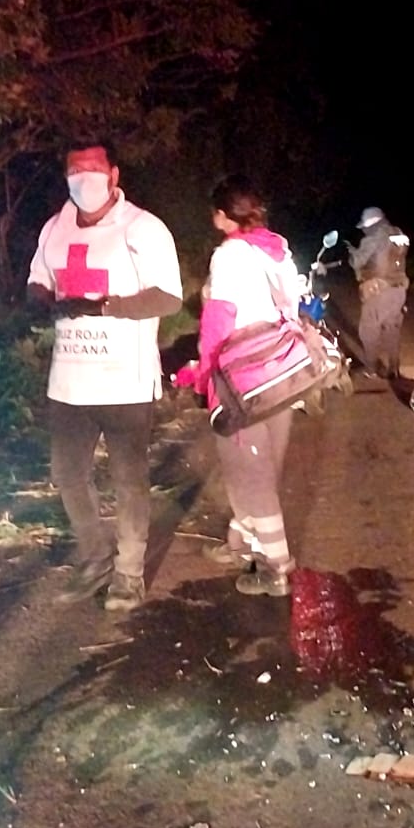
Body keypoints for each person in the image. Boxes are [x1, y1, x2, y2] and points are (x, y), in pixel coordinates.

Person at [27, 139, 183, 611]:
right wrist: (37, 302)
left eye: (93, 169)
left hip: (125, 380)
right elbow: (39, 279)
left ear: (114, 175)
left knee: (128, 479)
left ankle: (129, 573)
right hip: (69, 381)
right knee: (67, 474)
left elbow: (168, 298)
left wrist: (103, 305)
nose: (84, 178)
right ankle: (95, 557)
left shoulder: (143, 227)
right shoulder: (55, 228)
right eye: (75, 170)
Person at [174, 176, 302, 597]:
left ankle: (275, 567)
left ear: (224, 216)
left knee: (251, 474)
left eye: (215, 210)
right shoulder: (277, 250)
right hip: (282, 373)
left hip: (243, 380)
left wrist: (204, 372)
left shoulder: (229, 255)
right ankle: (241, 543)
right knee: (261, 465)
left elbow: (218, 322)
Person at [345, 205, 410, 378]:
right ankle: (394, 368)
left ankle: (371, 369)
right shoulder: (398, 234)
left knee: (368, 330)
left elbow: (358, 262)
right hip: (399, 290)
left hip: (378, 291)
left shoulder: (373, 237)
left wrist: (351, 253)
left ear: (372, 222)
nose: (364, 229)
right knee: (392, 329)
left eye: (365, 225)